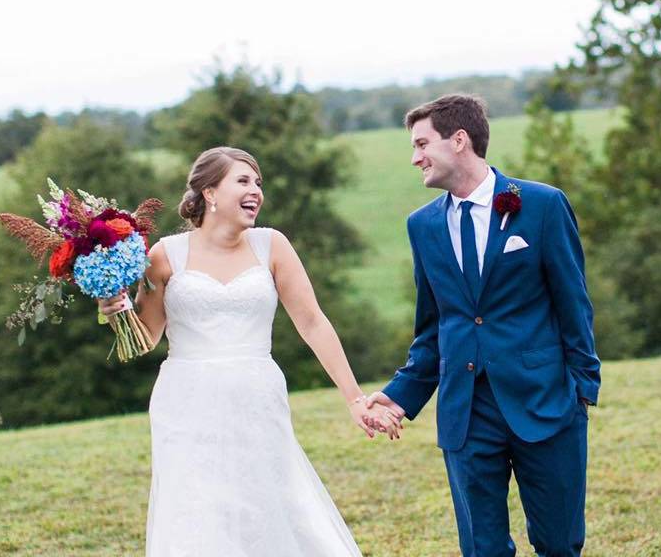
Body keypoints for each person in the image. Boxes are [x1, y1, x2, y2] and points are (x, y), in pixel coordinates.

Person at [98, 146, 398, 556]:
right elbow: (145, 338)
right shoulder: (164, 255)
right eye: (243, 180)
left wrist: (354, 398)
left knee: (267, 505)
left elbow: (312, 323)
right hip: (186, 401)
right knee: (198, 511)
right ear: (209, 193)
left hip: (257, 396)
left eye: (258, 182)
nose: (255, 190)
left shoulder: (271, 245)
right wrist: (115, 311)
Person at [365, 94, 601, 556]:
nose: (414, 159)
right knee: (482, 550)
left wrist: (582, 389)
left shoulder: (542, 205)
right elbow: (434, 328)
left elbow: (574, 304)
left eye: (421, 144)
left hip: (546, 402)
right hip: (466, 412)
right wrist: (398, 395)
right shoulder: (423, 226)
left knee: (559, 544)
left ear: (459, 140)